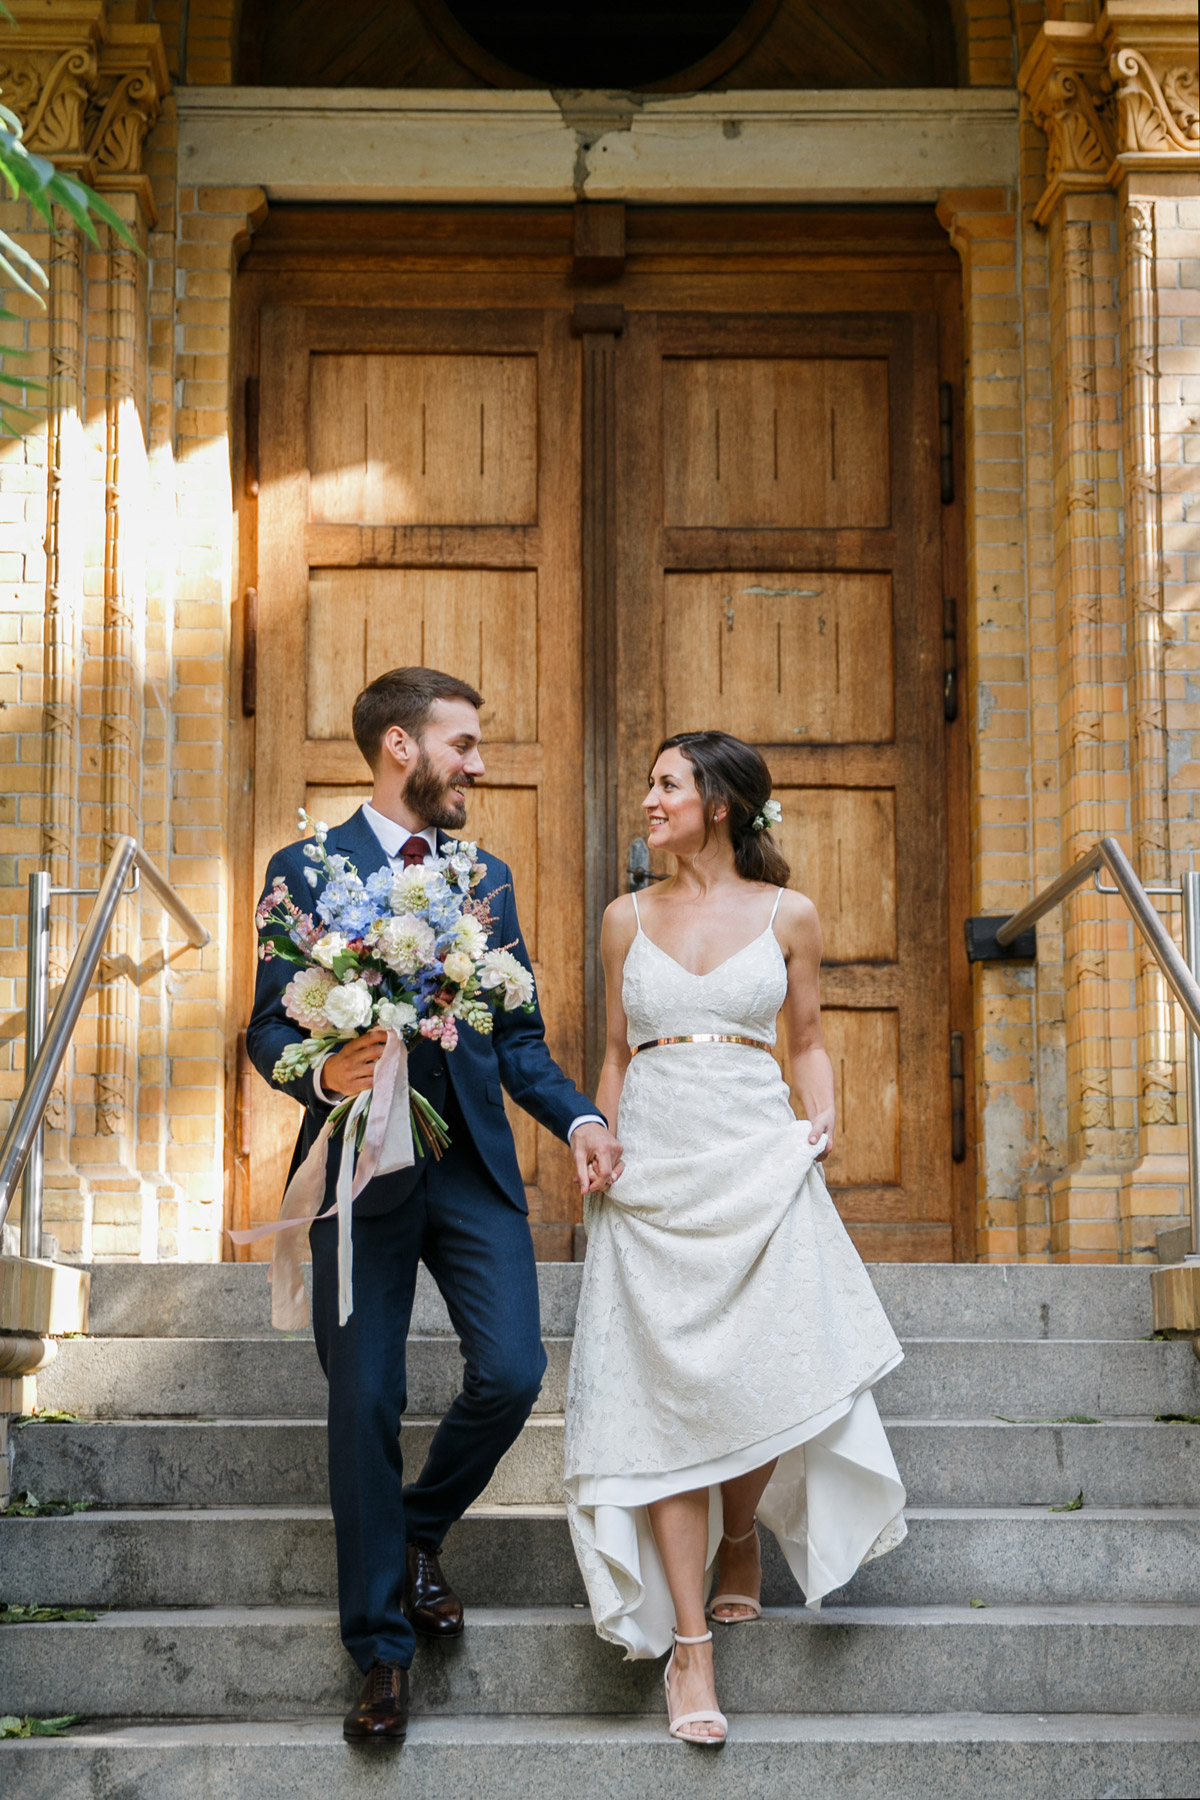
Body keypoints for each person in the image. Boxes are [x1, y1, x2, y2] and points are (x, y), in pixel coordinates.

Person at [246, 666, 622, 1744]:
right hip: (361, 1171)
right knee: (363, 1399)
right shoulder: (304, 870)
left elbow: (519, 1037)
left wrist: (584, 1120)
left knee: (512, 1372)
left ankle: (417, 1530)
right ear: (401, 747)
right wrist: (326, 1072)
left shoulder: (482, 871)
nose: (480, 764)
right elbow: (269, 1027)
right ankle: (380, 1652)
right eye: (464, 743)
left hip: (472, 1171)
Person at [563, 730, 906, 1746]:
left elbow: (806, 1038)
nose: (650, 797)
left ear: (718, 801)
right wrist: (601, 1138)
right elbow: (617, 1053)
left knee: (756, 1369)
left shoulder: (788, 914)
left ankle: (743, 1531)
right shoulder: (625, 917)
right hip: (655, 1170)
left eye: (666, 783)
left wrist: (823, 1120)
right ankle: (688, 1651)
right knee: (665, 1398)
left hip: (757, 1154)